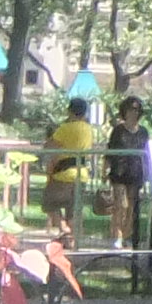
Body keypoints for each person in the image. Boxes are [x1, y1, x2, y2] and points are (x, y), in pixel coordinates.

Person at [40, 93, 100, 240]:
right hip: (82, 173)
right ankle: (73, 240)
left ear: (70, 111)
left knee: (50, 203)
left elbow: (49, 146)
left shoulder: (65, 128)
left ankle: (63, 229)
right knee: (73, 210)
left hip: (64, 173)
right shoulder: (88, 129)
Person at [102, 94, 152, 243]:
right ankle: (116, 236)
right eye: (131, 109)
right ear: (125, 111)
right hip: (119, 172)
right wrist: (104, 170)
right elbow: (110, 151)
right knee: (121, 205)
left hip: (136, 173)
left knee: (131, 208)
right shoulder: (118, 130)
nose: (134, 112)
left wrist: (148, 172)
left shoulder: (143, 132)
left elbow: (146, 153)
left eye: (136, 109)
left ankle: (126, 235)